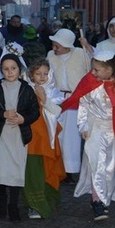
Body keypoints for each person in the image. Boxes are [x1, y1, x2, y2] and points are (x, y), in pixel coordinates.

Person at [62, 51, 115, 220]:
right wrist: (83, 124)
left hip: (114, 131)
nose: (93, 73)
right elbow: (83, 103)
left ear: (108, 69)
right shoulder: (91, 82)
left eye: (97, 70)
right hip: (95, 129)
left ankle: (104, 199)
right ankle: (97, 201)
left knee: (111, 167)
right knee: (96, 164)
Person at [0, 53, 40, 222]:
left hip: (18, 135)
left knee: (16, 170)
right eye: (6, 69)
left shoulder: (26, 89)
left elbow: (34, 111)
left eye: (13, 68)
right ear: (1, 70)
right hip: (1, 135)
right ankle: (1, 198)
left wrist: (23, 119)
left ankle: (13, 205)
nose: (9, 72)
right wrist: (2, 114)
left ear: (19, 69)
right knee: (1, 169)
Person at [24, 59, 66, 219]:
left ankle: (47, 198)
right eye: (38, 74)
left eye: (45, 74)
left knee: (46, 168)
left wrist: (44, 98)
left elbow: (56, 111)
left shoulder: (53, 91)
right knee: (32, 170)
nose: (42, 77)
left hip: (47, 137)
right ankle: (33, 204)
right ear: (31, 75)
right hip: (32, 138)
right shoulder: (26, 89)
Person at [49, 28, 91, 183]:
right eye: (53, 44)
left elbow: (93, 66)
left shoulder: (81, 54)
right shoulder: (50, 56)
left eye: (57, 45)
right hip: (57, 98)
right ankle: (56, 167)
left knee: (72, 137)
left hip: (75, 98)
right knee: (56, 133)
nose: (54, 48)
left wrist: (87, 47)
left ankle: (70, 169)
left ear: (67, 45)